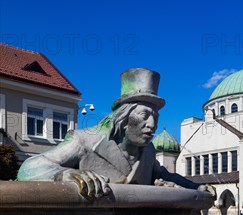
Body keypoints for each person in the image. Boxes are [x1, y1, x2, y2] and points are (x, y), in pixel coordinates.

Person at [17, 68, 215, 200]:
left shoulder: (148, 150)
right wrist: (67, 174)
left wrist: (194, 186)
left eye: (156, 116)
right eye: (144, 115)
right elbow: (29, 168)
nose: (152, 125)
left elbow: (162, 174)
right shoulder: (84, 141)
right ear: (123, 118)